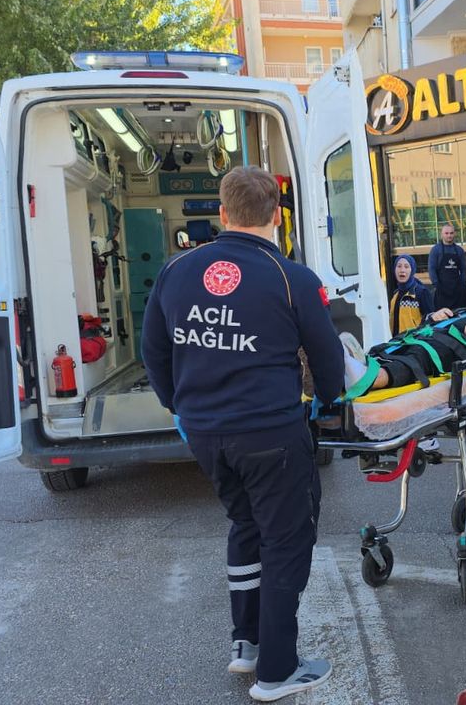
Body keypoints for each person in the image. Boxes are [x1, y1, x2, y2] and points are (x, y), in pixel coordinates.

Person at [141, 166, 342, 702]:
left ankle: (247, 644)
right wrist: (331, 403)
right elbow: (326, 356)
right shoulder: (292, 277)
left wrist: (178, 405)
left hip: (205, 433)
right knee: (287, 540)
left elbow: (154, 351)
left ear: (222, 213)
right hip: (270, 430)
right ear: (276, 216)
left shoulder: (176, 270)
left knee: (246, 526)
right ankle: (277, 670)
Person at [341, 309, 466, 394]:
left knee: (418, 358)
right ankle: (359, 363)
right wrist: (433, 316)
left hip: (452, 348)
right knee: (393, 348)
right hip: (427, 335)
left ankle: (371, 378)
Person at [428, 223, 466, 310]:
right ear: (442, 234)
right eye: (446, 233)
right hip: (441, 290)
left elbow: (463, 269)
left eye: (451, 233)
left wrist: (463, 285)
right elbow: (431, 269)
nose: (449, 235)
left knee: (459, 314)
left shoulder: (459, 250)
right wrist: (436, 284)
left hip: (457, 290)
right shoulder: (435, 250)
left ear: (454, 234)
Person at [390, 254, 434, 335]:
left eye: (406, 267)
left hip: (415, 340)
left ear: (412, 270)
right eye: (399, 266)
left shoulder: (422, 292)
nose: (402, 270)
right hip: (398, 340)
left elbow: (431, 320)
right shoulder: (395, 294)